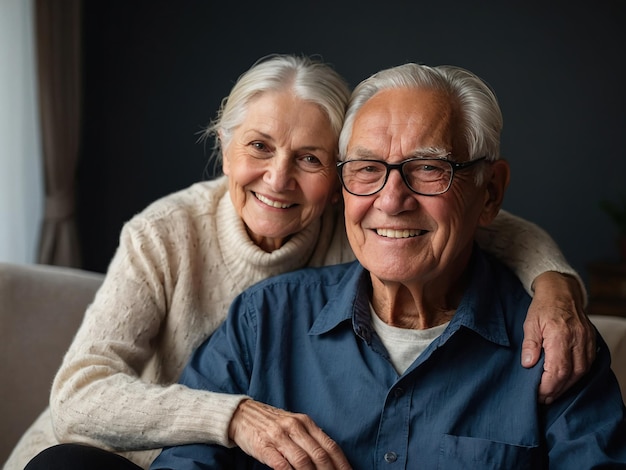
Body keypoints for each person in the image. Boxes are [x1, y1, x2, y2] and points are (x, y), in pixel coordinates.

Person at [12, 55, 592, 470]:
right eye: (259, 146)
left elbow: (477, 224)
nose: (278, 179)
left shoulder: (371, 226)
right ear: (223, 145)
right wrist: (233, 417)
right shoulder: (171, 240)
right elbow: (79, 398)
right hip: (104, 449)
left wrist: (557, 288)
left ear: (337, 180)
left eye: (310, 158)